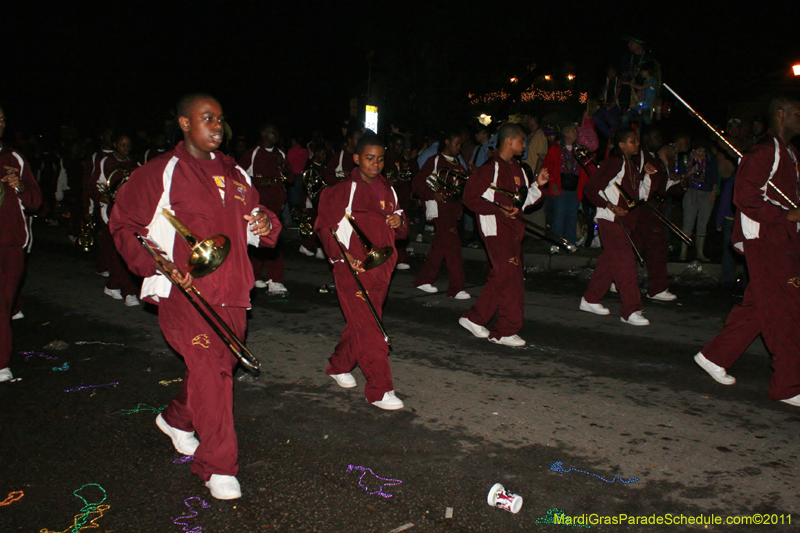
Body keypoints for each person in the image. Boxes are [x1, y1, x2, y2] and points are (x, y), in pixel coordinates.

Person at [110, 93, 280, 499]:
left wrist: (262, 221)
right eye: (207, 118)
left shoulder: (237, 173)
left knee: (216, 371)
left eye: (220, 119)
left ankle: (176, 419)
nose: (217, 126)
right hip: (184, 294)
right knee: (213, 375)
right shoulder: (161, 171)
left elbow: (265, 229)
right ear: (185, 123)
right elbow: (124, 224)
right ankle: (218, 466)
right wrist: (155, 262)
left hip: (234, 291)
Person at [693, 94, 800, 407]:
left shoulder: (790, 152)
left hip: (783, 239)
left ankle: (713, 356)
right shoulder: (764, 151)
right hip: (765, 239)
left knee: (761, 306)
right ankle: (787, 385)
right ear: (781, 114)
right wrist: (785, 216)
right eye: (797, 112)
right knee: (784, 312)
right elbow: (744, 196)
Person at [313, 131, 409, 410]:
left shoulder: (389, 189)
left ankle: (338, 365)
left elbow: (403, 228)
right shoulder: (343, 190)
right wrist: (342, 257)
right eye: (369, 158)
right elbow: (325, 228)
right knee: (370, 327)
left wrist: (397, 222)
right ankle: (380, 389)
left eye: (380, 159)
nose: (375, 164)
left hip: (383, 266)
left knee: (363, 321)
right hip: (352, 268)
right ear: (356, 159)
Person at [459, 123, 549, 346]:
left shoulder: (518, 168)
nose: (524, 145)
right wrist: (498, 209)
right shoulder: (491, 168)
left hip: (513, 231)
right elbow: (470, 198)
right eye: (521, 140)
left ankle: (474, 318)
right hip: (495, 230)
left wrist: (538, 185)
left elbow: (524, 202)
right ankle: (504, 331)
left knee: (504, 276)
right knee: (510, 278)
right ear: (509, 141)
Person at [580, 127, 656, 326]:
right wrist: (609, 206)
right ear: (622, 144)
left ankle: (590, 299)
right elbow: (590, 188)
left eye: (636, 140)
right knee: (625, 264)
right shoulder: (614, 162)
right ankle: (630, 310)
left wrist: (646, 176)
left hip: (624, 222)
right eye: (632, 140)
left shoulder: (631, 165)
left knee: (609, 263)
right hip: (610, 220)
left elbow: (640, 197)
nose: (637, 143)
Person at [0, 106, 42, 382]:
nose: (0, 124)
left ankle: (1, 361)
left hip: (10, 244)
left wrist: (21, 187)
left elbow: (36, 202)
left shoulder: (13, 158)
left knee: (2, 304)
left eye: (2, 119)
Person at [412, 130, 470, 299]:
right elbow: (417, 184)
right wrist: (432, 194)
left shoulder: (458, 163)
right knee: (453, 249)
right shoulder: (435, 161)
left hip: (452, 211)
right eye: (456, 144)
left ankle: (424, 279)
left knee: (439, 248)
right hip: (439, 210)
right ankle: (456, 288)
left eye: (460, 145)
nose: (459, 148)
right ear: (447, 141)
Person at [238, 124, 291, 295]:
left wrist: (282, 173)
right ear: (263, 133)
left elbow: (290, 176)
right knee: (258, 240)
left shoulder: (280, 154)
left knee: (272, 239)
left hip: (276, 204)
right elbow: (237, 177)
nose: (276, 136)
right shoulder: (253, 153)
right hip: (259, 205)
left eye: (277, 133)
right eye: (272, 132)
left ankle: (273, 279)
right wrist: (261, 182)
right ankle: (258, 277)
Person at [93, 133, 141, 306]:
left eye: (128, 145)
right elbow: (96, 183)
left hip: (129, 212)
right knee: (115, 252)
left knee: (126, 252)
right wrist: (102, 197)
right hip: (110, 212)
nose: (125, 148)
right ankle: (128, 291)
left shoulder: (134, 163)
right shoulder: (105, 161)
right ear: (114, 145)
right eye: (122, 145)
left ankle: (113, 285)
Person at [632, 126, 677, 301]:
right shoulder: (639, 158)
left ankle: (615, 279)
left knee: (639, 248)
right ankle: (657, 288)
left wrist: (675, 184)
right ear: (647, 138)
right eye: (656, 136)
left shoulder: (657, 159)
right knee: (654, 249)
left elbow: (661, 186)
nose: (659, 140)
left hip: (655, 211)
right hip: (643, 211)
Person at [542, 123, 590, 254]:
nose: (576, 133)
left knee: (572, 216)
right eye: (573, 131)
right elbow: (548, 166)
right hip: (560, 186)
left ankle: (570, 242)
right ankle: (555, 244)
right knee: (558, 216)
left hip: (575, 186)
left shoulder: (579, 149)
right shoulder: (556, 148)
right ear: (566, 133)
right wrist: (552, 182)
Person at [678, 140, 719, 261]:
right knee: (688, 223)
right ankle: (683, 252)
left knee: (703, 223)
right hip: (691, 193)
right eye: (699, 150)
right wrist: (691, 171)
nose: (701, 153)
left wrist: (714, 191)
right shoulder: (686, 159)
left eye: (703, 150)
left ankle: (700, 252)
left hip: (707, 194)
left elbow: (715, 175)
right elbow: (680, 177)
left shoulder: (709, 158)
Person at [592, 66, 622, 139]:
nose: (610, 74)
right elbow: (600, 98)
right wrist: (604, 90)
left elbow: (621, 96)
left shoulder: (619, 82)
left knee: (610, 118)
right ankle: (611, 135)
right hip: (605, 106)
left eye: (612, 72)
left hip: (616, 106)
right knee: (595, 117)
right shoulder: (604, 82)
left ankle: (620, 134)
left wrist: (613, 104)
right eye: (609, 72)